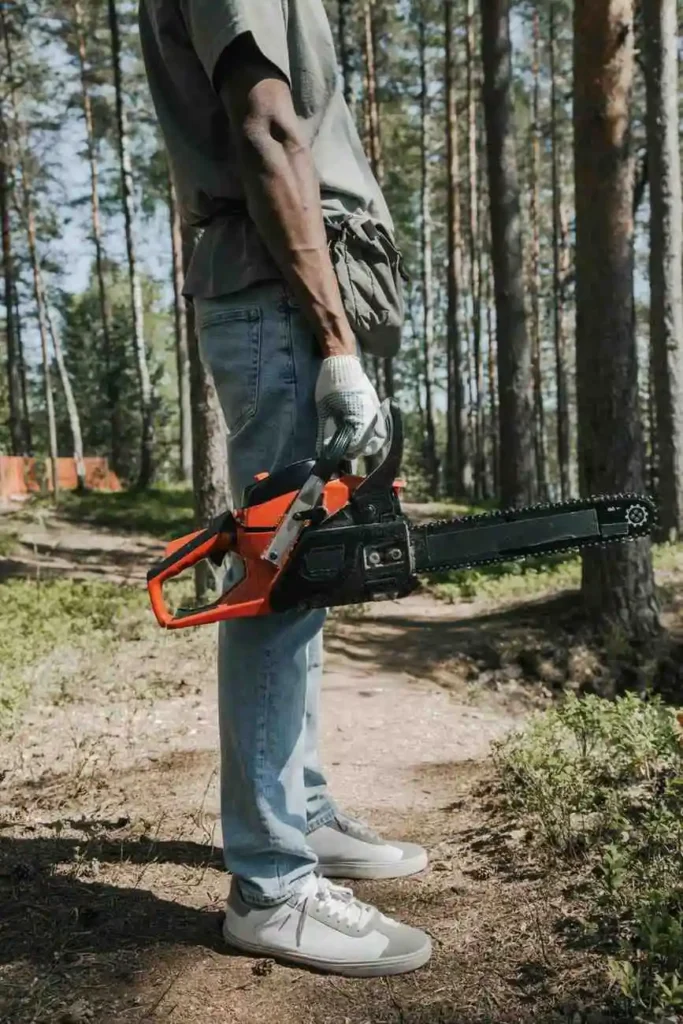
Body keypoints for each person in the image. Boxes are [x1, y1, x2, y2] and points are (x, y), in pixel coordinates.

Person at [138, 0, 432, 977]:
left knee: (299, 573)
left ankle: (297, 809)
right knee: (277, 575)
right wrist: (337, 344)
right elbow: (265, 124)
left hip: (281, 285)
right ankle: (269, 883)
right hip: (275, 289)